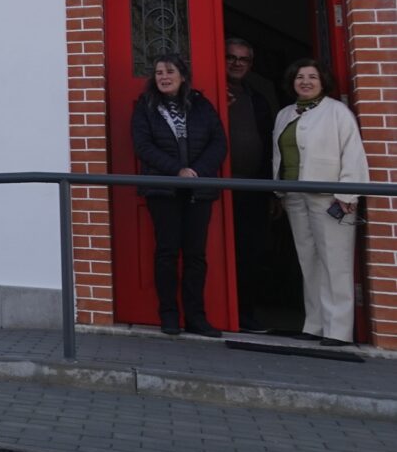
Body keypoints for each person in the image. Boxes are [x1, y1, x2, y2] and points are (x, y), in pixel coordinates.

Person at [130, 53, 227, 338]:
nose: (163, 77)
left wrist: (197, 172)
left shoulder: (201, 105)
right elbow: (143, 146)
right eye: (159, 72)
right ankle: (169, 315)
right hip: (163, 190)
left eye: (170, 71)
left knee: (196, 256)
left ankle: (196, 317)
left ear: (183, 76)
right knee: (167, 253)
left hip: (199, 189)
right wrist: (177, 171)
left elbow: (219, 142)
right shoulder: (145, 107)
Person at [273, 59, 368, 347]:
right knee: (308, 260)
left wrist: (348, 194)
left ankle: (338, 330)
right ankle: (314, 325)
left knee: (335, 262)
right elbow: (279, 156)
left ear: (323, 81)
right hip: (294, 195)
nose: (305, 82)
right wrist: (279, 192)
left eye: (312, 77)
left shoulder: (337, 112)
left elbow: (353, 153)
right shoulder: (285, 114)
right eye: (300, 77)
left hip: (329, 198)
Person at [225, 37, 276, 331]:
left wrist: (271, 192)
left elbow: (269, 147)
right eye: (231, 57)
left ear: (251, 65)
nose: (237, 63)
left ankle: (244, 314)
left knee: (249, 253)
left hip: (252, 190)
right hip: (216, 187)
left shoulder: (258, 98)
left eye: (243, 59)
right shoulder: (207, 92)